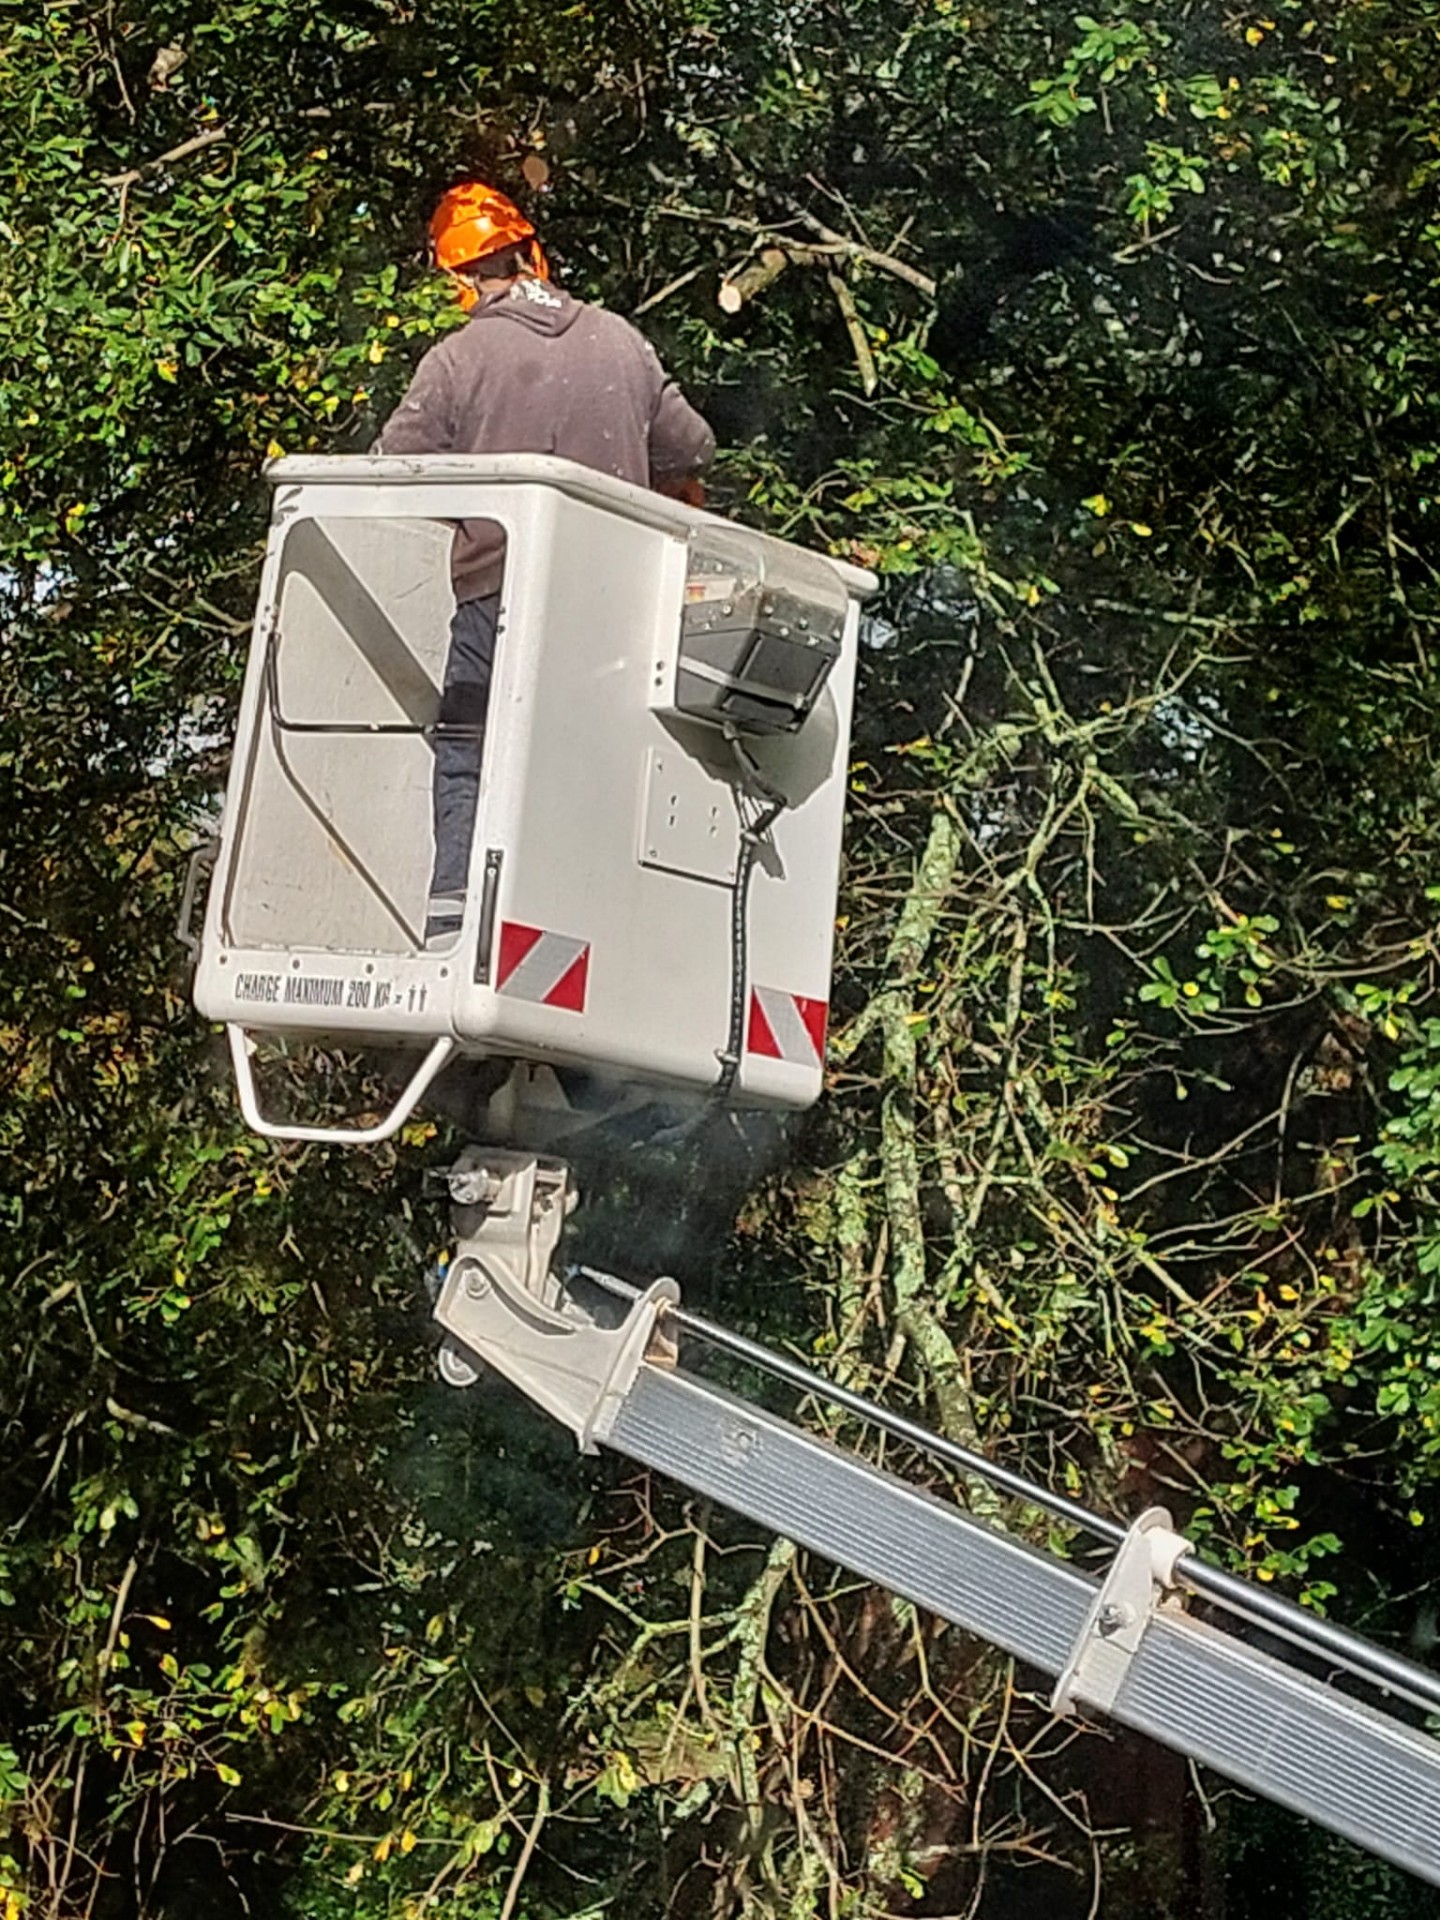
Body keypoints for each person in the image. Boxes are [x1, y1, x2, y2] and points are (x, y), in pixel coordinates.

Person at [377, 181, 715, 947]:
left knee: (469, 749)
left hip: (500, 593)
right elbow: (692, 449)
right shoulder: (621, 342)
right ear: (531, 250)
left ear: (460, 279)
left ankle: (456, 922)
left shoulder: (459, 358)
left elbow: (398, 466)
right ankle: (588, 918)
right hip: (617, 600)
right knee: (592, 756)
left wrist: (467, 505)